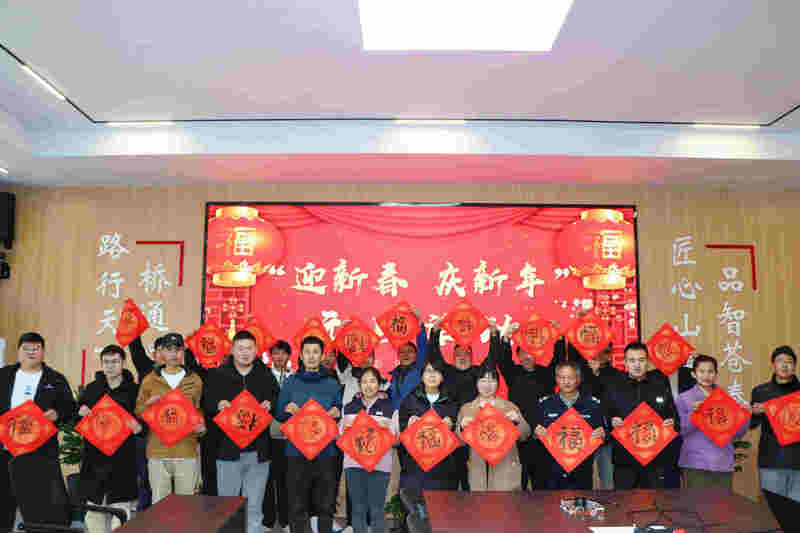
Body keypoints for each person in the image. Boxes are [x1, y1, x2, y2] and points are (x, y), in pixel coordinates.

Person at [204, 331, 280, 533]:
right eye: (240, 348)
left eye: (249, 348)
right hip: (227, 452)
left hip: (258, 453)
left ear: (256, 350)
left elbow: (277, 399)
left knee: (254, 506)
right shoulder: (218, 375)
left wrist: (270, 404)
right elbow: (207, 403)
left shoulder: (265, 376)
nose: (245, 353)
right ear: (232, 350)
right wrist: (218, 404)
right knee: (227, 506)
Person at [0, 332, 77, 533]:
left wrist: (57, 414)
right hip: (5, 451)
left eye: (36, 348)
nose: (31, 352)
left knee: (39, 508)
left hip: (39, 455)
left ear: (43, 352)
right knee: (3, 505)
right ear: (18, 351)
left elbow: (70, 409)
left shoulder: (55, 379)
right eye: (26, 348)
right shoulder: (4, 375)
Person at [275, 336, 343, 533]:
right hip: (296, 453)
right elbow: (279, 414)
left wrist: (336, 411)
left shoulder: (331, 383)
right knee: (297, 504)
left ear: (322, 356)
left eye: (315, 352)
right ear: (301, 356)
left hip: (325, 453)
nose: (311, 356)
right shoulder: (291, 382)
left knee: (326, 504)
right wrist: (288, 409)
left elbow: (338, 410)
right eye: (307, 352)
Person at [428, 317, 500, 491]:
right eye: (458, 355)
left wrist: (493, 335)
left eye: (466, 354)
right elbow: (434, 355)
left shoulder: (478, 372)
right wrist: (435, 332)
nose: (462, 357)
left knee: (472, 480)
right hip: (449, 429)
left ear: (472, 356)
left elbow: (492, 359)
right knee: (449, 480)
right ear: (452, 357)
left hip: (474, 430)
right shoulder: (446, 371)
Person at [77, 345, 143, 533]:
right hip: (95, 458)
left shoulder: (134, 390)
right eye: (106, 362)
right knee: (94, 511)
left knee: (121, 511)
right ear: (101, 364)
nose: (110, 366)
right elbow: (77, 417)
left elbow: (144, 422)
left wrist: (139, 427)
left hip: (122, 459)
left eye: (115, 362)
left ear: (123, 363)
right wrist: (80, 413)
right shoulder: (92, 389)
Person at [135, 333, 205, 504]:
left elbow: (199, 411)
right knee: (159, 505)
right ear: (162, 352)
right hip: (158, 451)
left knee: (186, 505)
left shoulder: (195, 380)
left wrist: (201, 427)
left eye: (178, 350)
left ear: (183, 352)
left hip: (186, 450)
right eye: (169, 350)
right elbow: (138, 410)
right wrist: (149, 404)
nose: (174, 354)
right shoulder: (150, 380)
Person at [603, 341, 678, 489]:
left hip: (655, 459)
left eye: (641, 360)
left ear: (648, 362)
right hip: (624, 460)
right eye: (632, 360)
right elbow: (604, 414)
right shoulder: (614, 386)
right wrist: (611, 420)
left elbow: (672, 414)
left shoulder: (660, 384)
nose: (637, 365)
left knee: (655, 500)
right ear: (625, 363)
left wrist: (672, 421)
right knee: (624, 500)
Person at [493, 322, 553, 491]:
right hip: (518, 435)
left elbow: (559, 360)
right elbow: (502, 360)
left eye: (531, 353)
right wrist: (506, 338)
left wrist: (559, 339)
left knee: (542, 487)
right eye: (523, 353)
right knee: (518, 485)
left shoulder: (547, 374)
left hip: (542, 435)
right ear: (518, 356)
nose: (527, 357)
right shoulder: (513, 373)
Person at [677, 354, 748, 489]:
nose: (706, 376)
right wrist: (695, 414)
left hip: (722, 462)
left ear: (716, 374)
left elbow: (738, 433)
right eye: (702, 371)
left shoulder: (726, 398)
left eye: (710, 371)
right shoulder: (684, 398)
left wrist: (745, 416)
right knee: (696, 502)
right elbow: (681, 430)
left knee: (722, 502)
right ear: (693, 374)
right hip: (695, 463)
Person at [457, 363, 530, 491]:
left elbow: (525, 434)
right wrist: (462, 428)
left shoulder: (509, 406)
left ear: (498, 383)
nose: (487, 385)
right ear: (476, 383)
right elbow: (459, 441)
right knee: (479, 503)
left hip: (506, 468)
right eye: (483, 380)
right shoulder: (467, 408)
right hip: (478, 469)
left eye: (492, 380)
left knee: (505, 503)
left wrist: (518, 421)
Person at [533, 361, 606, 490]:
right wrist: (536, 433)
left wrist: (602, 434)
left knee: (582, 501)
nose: (566, 382)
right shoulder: (545, 404)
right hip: (552, 471)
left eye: (571, 377)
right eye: (562, 377)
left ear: (578, 379)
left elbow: (603, 433)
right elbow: (535, 434)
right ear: (556, 379)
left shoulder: (592, 405)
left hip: (582, 470)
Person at [341, 367, 395, 533]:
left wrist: (387, 430)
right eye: (364, 381)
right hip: (353, 465)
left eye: (372, 381)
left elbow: (397, 440)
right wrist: (345, 429)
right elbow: (339, 437)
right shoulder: (349, 407)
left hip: (380, 466)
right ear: (359, 385)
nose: (368, 385)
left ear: (379, 384)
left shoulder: (390, 407)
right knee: (358, 508)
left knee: (377, 509)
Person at [397, 358, 460, 491]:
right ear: (422, 376)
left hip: (443, 468)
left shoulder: (451, 401)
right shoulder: (410, 400)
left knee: (440, 501)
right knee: (417, 500)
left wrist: (451, 426)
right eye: (428, 371)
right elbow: (401, 432)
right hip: (415, 466)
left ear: (442, 377)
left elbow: (459, 437)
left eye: (436, 371)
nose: (432, 375)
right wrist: (409, 426)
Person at [751, 345, 800, 501]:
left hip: (798, 459)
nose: (784, 365)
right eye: (780, 361)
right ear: (773, 364)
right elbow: (753, 424)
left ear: (795, 366)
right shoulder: (760, 391)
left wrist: (772, 410)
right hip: (771, 458)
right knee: (774, 508)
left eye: (789, 362)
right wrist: (753, 413)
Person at [263, 340, 294, 533]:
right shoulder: (263, 376)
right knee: (267, 479)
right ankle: (267, 520)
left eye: (283, 353)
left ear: (289, 356)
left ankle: (285, 520)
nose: (279, 356)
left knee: (286, 479)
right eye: (275, 353)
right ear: (270, 356)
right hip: (267, 434)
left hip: (290, 436)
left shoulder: (294, 377)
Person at [584, 346, 621, 489]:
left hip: (607, 435)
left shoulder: (617, 375)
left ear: (610, 355)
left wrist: (597, 373)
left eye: (605, 352)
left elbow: (611, 398)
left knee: (608, 481)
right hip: (584, 433)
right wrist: (592, 373)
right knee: (583, 481)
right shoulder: (581, 373)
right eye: (597, 351)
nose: (600, 355)